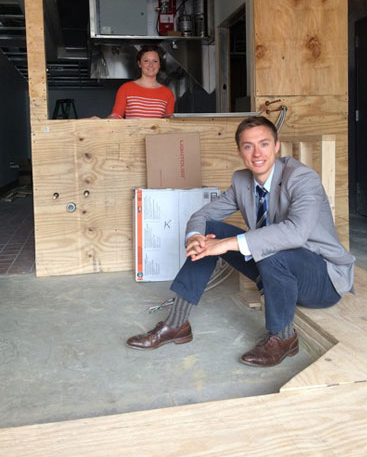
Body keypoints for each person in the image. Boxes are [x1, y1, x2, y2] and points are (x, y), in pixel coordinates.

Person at [126, 116, 355, 367]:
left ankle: (284, 337)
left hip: (321, 280)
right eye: (248, 146)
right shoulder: (241, 181)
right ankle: (176, 323)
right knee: (210, 231)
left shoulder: (301, 178)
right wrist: (195, 238)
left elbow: (295, 233)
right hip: (276, 273)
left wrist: (226, 244)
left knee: (267, 247)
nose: (257, 153)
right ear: (240, 152)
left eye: (264, 144)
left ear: (277, 146)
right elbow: (202, 216)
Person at [108, 46, 174, 119]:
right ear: (139, 64)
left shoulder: (168, 93)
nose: (151, 65)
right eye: (146, 61)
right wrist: (99, 122)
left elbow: (169, 123)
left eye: (155, 61)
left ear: (159, 65)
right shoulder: (125, 88)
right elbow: (116, 116)